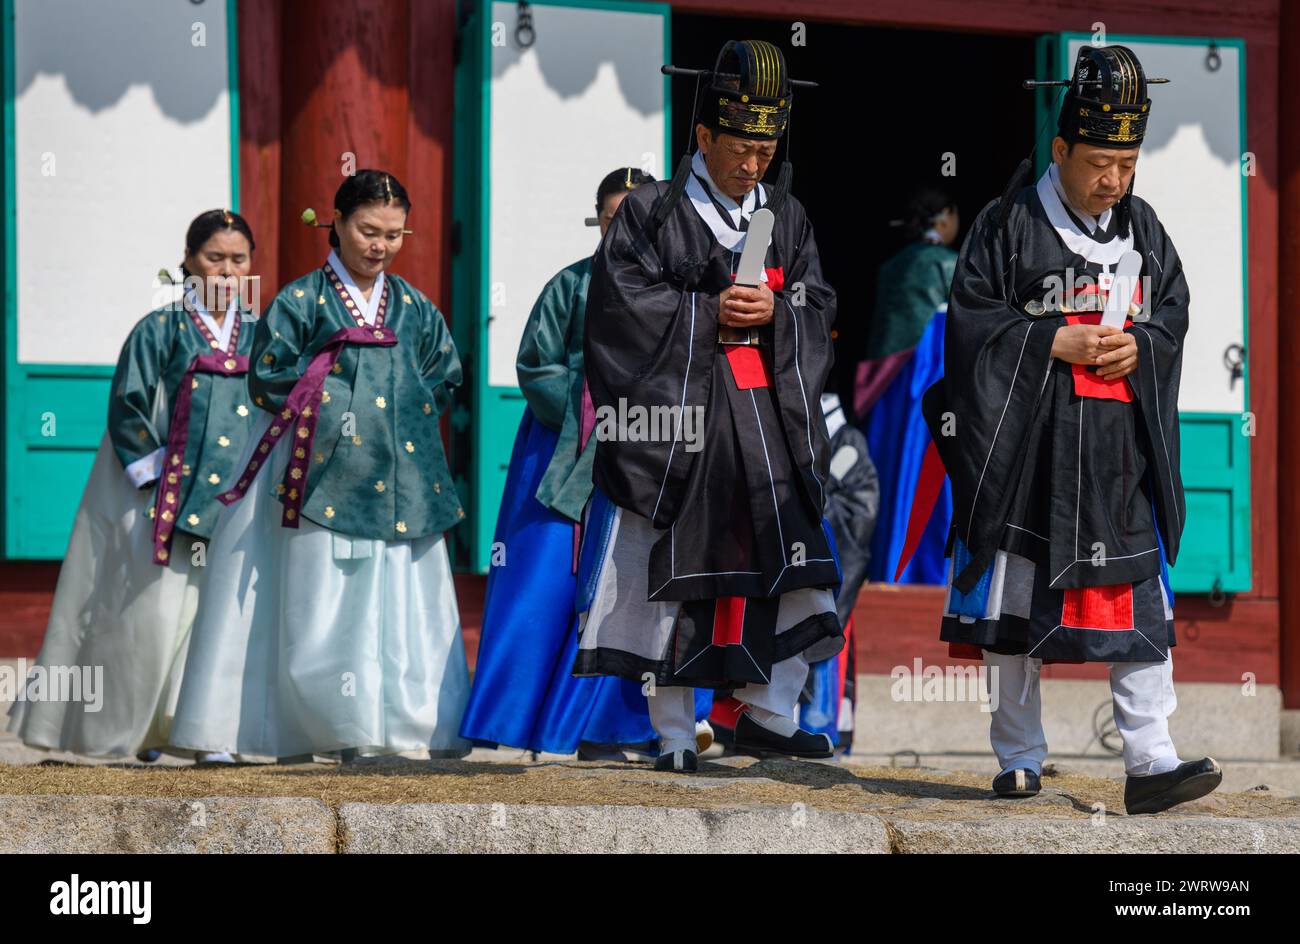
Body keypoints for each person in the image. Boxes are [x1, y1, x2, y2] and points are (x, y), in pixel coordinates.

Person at [908, 46, 1221, 813]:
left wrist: (1138, 346)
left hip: (1116, 457)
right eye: (1097, 162)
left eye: (1126, 161)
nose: (1113, 179)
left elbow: (1173, 316)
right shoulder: (1007, 225)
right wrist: (1051, 339)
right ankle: (1018, 755)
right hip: (1029, 451)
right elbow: (972, 327)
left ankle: (1151, 761)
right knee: (1015, 609)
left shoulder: (1142, 229)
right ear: (1059, 150)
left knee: (1141, 609)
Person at [577, 39, 842, 773]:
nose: (753, 164)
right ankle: (670, 733)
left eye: (765, 148)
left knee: (794, 565)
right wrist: (706, 312)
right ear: (702, 136)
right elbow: (618, 310)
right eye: (739, 146)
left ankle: (768, 712)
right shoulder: (652, 212)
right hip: (682, 424)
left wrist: (780, 312)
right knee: (674, 573)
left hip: (767, 417)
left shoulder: (785, 214)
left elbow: (819, 302)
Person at [169, 170, 470, 761]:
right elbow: (268, 375)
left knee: (404, 595)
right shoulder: (300, 301)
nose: (379, 245)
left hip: (399, 475)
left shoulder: (413, 307)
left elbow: (443, 373)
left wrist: (396, 413)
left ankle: (408, 726)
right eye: (367, 230)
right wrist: (342, 404)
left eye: (393, 234)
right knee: (323, 599)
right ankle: (330, 727)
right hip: (318, 471)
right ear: (337, 223)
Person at [460, 167, 712, 759]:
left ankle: (615, 729)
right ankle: (521, 724)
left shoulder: (680, 292)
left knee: (629, 590)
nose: (624, 228)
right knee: (542, 588)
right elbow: (537, 365)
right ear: (597, 220)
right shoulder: (570, 285)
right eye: (612, 217)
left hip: (650, 453)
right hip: (563, 452)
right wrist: (594, 410)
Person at [7, 210, 258, 764]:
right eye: (214, 258)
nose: (226, 271)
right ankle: (133, 731)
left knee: (214, 615)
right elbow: (129, 407)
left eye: (238, 260)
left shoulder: (260, 337)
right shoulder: (159, 330)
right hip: (165, 500)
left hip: (235, 501)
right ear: (189, 262)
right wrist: (154, 480)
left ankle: (203, 731)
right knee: (150, 616)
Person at [856, 186, 959, 585]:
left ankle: (890, 560)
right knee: (931, 470)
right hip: (935, 373)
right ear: (945, 217)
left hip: (893, 384)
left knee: (894, 465)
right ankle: (930, 566)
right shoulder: (949, 264)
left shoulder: (891, 267)